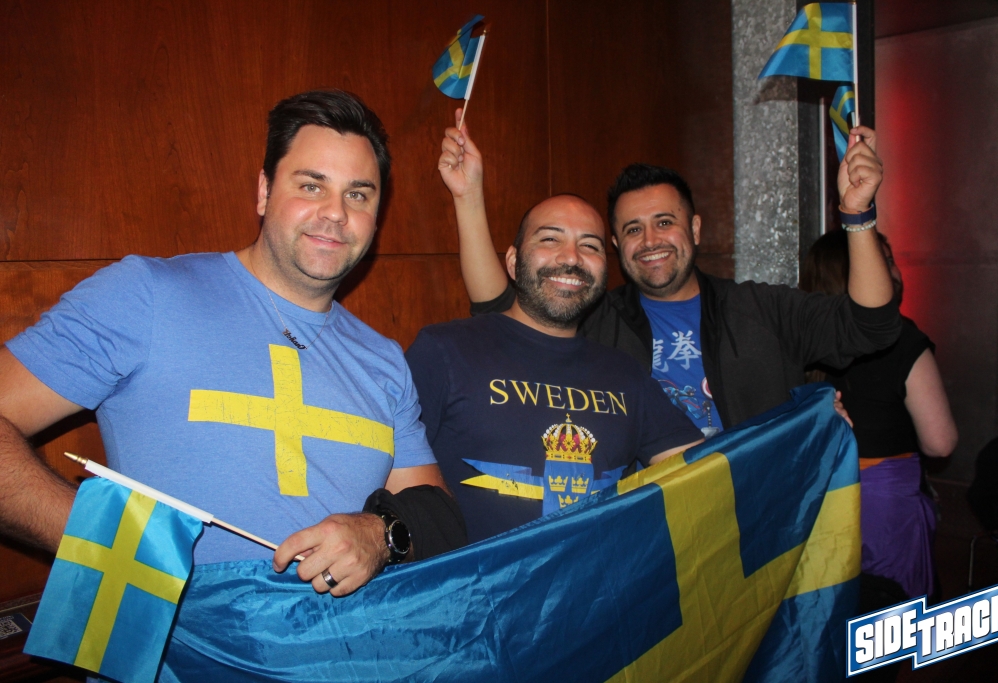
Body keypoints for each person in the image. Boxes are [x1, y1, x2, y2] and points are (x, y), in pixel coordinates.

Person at [0, 90, 466, 598]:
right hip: (173, 640)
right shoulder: (144, 295)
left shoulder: (384, 360)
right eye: (311, 185)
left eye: (358, 195)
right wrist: (100, 540)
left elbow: (438, 514)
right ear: (264, 192)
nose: (335, 213)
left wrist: (379, 533)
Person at [441, 111, 901, 435]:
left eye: (665, 222)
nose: (650, 241)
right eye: (633, 229)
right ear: (616, 245)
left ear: (695, 229)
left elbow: (872, 325)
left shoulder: (762, 309)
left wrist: (857, 214)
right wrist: (468, 195)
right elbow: (500, 307)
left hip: (758, 520)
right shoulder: (596, 318)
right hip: (649, 529)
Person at [407, 147, 705, 542]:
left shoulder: (626, 375)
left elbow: (710, 476)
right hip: (478, 582)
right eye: (550, 239)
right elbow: (385, 478)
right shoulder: (444, 351)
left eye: (590, 245)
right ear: (513, 263)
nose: (571, 258)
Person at [801, 229, 957, 608]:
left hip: (819, 503)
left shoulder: (801, 338)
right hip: (885, 511)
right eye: (882, 261)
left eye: (890, 260)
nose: (893, 271)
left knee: (833, 620)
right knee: (887, 624)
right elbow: (940, 442)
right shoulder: (901, 338)